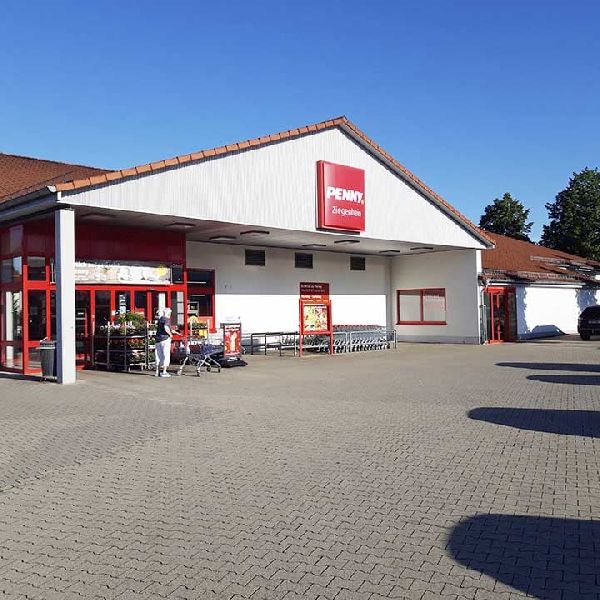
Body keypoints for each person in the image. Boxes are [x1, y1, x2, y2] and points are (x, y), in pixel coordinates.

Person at [155, 307, 173, 378]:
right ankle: (164, 372)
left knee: (158, 355)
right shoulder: (166, 319)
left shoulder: (161, 319)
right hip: (165, 339)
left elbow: (161, 328)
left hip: (158, 339)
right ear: (168, 313)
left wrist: (173, 331)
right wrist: (170, 334)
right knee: (166, 355)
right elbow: (166, 327)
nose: (170, 314)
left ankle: (157, 371)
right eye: (170, 313)